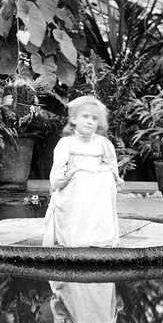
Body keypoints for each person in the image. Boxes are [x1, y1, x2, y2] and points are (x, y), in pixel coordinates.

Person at [42, 96, 123, 248]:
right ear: (73, 119)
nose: (89, 121)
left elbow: (113, 171)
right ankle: (77, 236)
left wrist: (108, 175)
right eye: (85, 116)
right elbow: (56, 179)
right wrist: (69, 176)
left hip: (97, 192)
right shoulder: (67, 143)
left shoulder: (103, 143)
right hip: (73, 191)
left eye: (94, 118)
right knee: (81, 177)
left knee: (104, 177)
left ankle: (100, 236)